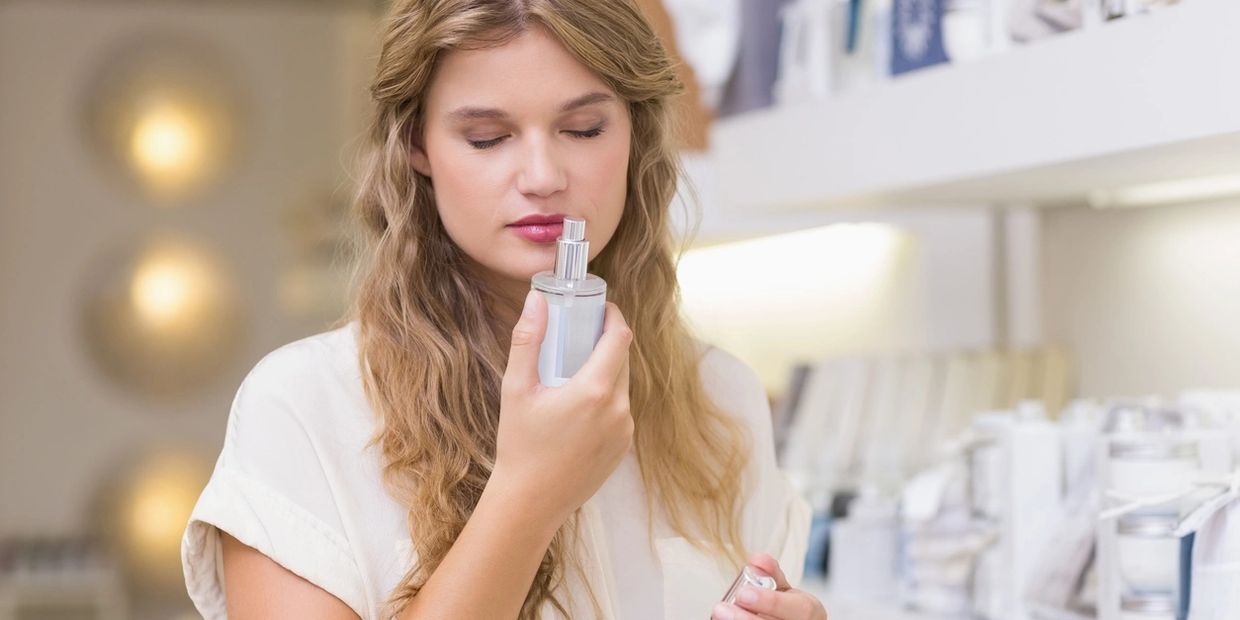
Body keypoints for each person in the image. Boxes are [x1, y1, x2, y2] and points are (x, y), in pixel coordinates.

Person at [180, 1, 827, 619]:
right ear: (417, 148)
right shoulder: (303, 408)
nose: (543, 175)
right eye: (488, 138)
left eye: (583, 129)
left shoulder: (723, 400)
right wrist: (529, 493)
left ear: (636, 136)